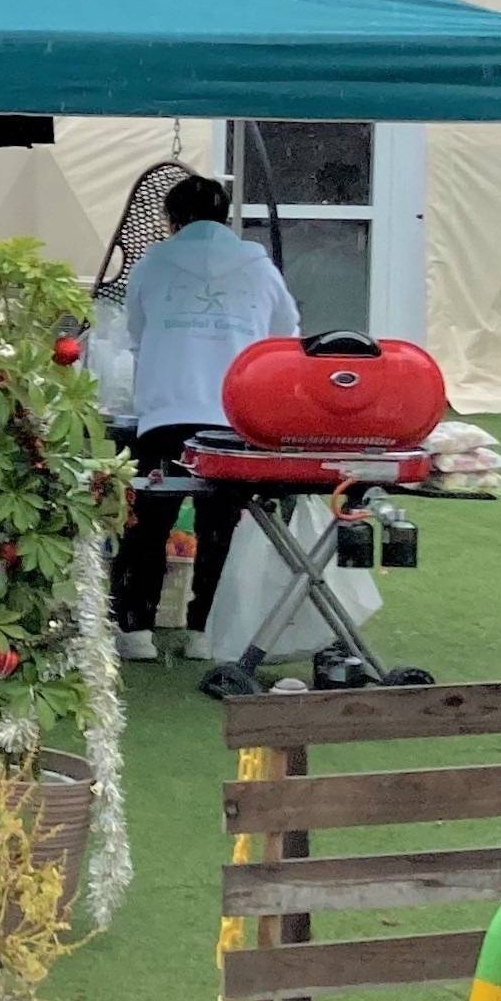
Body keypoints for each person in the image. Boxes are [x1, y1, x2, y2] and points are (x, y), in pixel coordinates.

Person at [113, 172, 299, 666]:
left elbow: (135, 332)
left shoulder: (152, 264)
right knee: (222, 523)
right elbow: (286, 339)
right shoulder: (260, 269)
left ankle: (136, 630)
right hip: (235, 417)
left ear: (170, 219)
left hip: (166, 410)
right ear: (225, 217)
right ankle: (202, 630)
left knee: (149, 519)